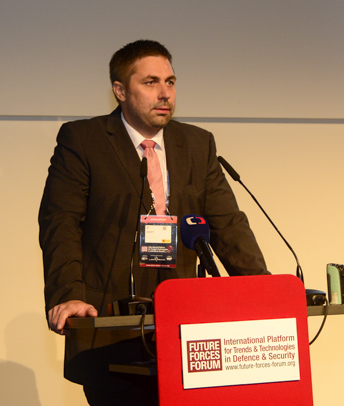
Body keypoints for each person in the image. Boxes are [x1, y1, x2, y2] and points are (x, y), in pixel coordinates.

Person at [38, 39, 269, 405]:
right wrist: (68, 295)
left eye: (170, 82)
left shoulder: (197, 144)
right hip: (111, 327)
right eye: (150, 82)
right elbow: (60, 223)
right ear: (120, 91)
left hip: (185, 328)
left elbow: (229, 226)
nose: (165, 93)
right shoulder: (84, 140)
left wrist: (265, 291)